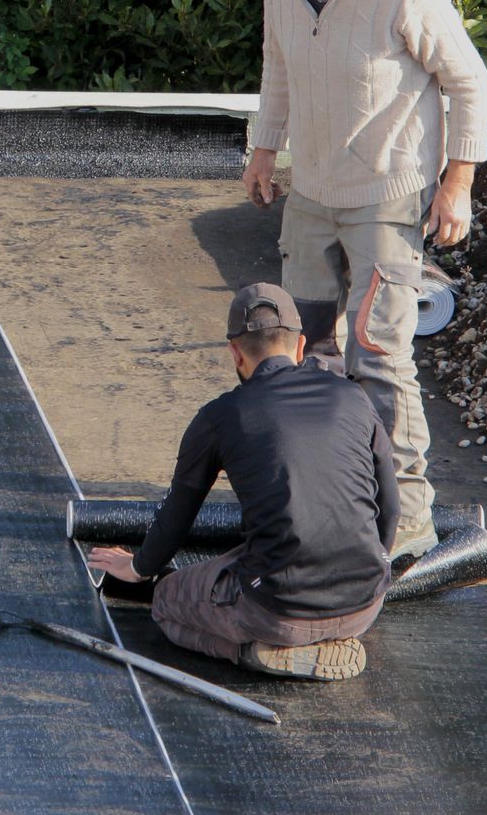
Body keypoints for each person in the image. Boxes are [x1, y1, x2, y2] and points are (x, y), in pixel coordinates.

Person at [237, 0, 487, 561]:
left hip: (387, 193)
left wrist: (457, 184)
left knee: (377, 355)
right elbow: (277, 65)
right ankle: (327, 500)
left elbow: (468, 82)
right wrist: (264, 151)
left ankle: (407, 519)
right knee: (301, 352)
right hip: (312, 195)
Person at [88, 283, 398, 681]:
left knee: (167, 601)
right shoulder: (353, 397)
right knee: (248, 553)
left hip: (277, 611)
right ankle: (321, 636)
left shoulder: (221, 416)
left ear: (235, 352)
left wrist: (139, 567)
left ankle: (252, 652)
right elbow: (389, 507)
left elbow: (179, 511)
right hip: (365, 604)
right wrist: (376, 569)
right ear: (301, 346)